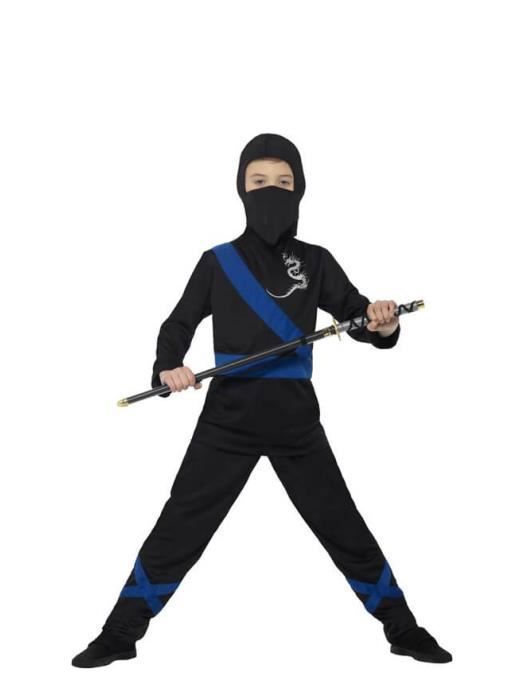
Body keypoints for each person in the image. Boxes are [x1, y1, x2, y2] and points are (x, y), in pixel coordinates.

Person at [72, 133, 452, 667]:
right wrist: (168, 367)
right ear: (241, 189)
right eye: (258, 181)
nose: (270, 190)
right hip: (227, 419)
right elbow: (178, 324)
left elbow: (359, 318)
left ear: (299, 190)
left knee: (343, 527)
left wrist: (383, 324)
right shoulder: (217, 261)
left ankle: (403, 629)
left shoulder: (317, 261)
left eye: (283, 181)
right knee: (180, 528)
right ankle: (119, 635)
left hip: (296, 419)